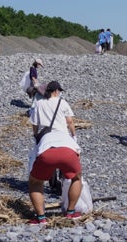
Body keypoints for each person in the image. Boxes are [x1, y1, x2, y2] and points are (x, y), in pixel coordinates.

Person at [27, 80, 83, 223]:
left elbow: (34, 124)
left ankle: (41, 218)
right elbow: (70, 121)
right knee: (76, 178)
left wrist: (36, 138)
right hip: (67, 147)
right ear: (56, 91)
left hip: (47, 147)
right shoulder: (62, 103)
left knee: (35, 182)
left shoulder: (38, 104)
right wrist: (74, 136)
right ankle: (70, 212)